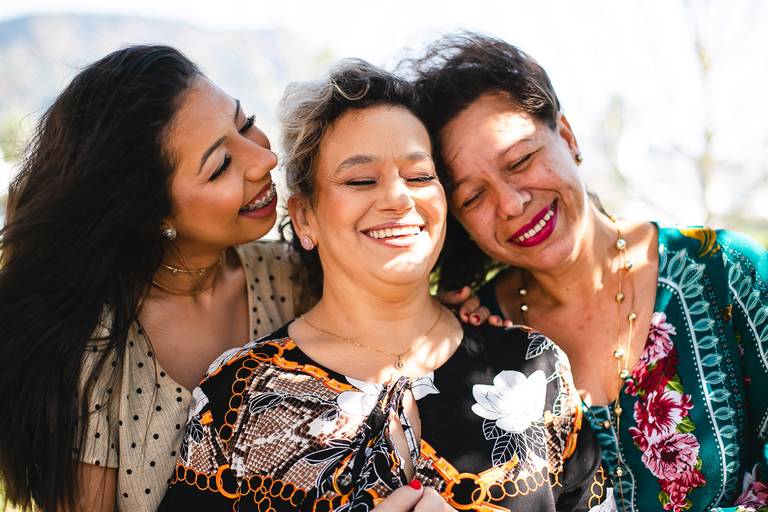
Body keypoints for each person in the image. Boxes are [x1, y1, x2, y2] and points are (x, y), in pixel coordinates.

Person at [0, 45, 488, 512]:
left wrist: (448, 322)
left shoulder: (291, 275)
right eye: (220, 167)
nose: (264, 160)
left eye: (245, 124)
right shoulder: (96, 348)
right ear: (151, 214)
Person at [159, 59, 612, 511]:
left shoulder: (533, 367)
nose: (398, 197)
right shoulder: (238, 395)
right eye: (360, 180)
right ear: (304, 217)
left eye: (420, 177)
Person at [408, 32, 768, 512]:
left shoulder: (725, 270)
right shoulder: (470, 336)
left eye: (520, 160)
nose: (511, 204)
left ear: (567, 137)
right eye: (474, 197)